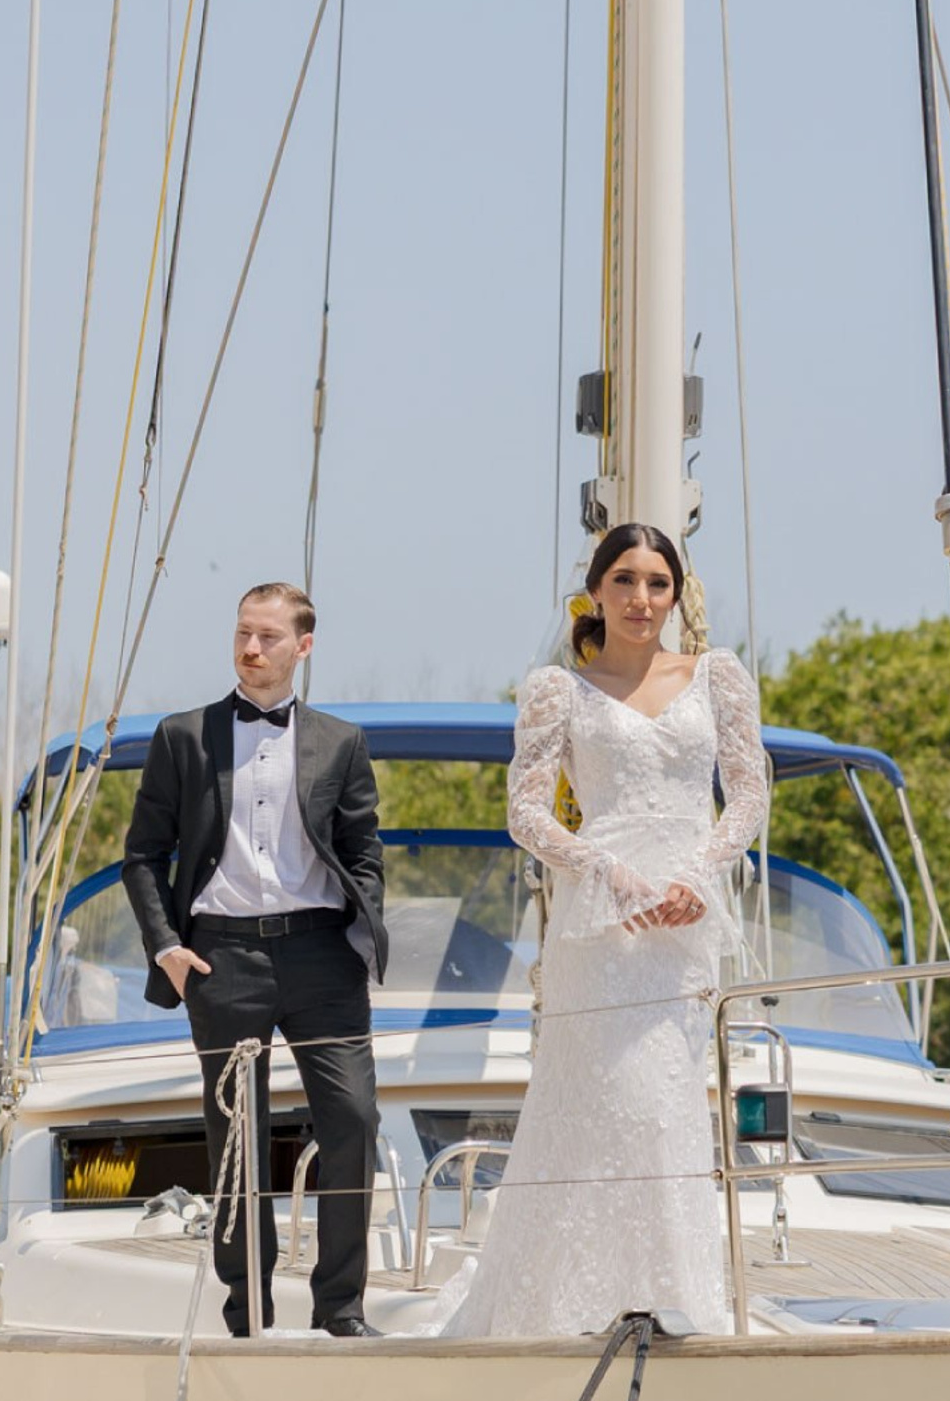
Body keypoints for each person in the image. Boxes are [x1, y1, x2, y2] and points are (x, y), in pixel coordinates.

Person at [441, 523, 767, 1338]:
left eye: (657, 582)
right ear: (595, 591)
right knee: (596, 1103)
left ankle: (674, 1295)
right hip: (599, 919)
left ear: (676, 593)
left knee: (665, 1106)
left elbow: (750, 796)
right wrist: (608, 872)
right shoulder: (558, 689)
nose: (641, 599)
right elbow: (523, 812)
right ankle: (571, 1301)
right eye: (624, 580)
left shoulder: (718, 677)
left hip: (686, 919)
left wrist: (698, 875)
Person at [122, 581, 387, 1338]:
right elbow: (143, 856)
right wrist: (167, 947)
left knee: (354, 1122)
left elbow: (363, 850)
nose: (250, 648)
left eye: (269, 636)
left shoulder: (342, 742)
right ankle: (252, 1314)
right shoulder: (183, 736)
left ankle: (341, 1310)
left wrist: (359, 936)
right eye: (243, 633)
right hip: (221, 960)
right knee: (237, 1138)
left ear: (303, 646)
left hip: (322, 959)